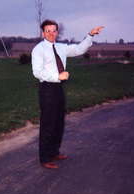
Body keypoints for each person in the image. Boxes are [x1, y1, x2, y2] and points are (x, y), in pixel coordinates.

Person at [31, 19, 104, 169]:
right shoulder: (38, 49)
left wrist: (90, 35)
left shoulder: (61, 47)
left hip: (58, 89)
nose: (51, 34)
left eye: (54, 30)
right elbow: (37, 72)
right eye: (48, 31)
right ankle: (45, 158)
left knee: (59, 122)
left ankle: (54, 152)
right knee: (48, 124)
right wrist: (57, 76)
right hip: (47, 89)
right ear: (43, 32)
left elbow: (78, 49)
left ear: (57, 32)